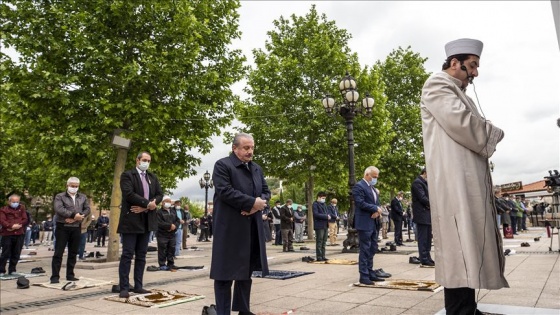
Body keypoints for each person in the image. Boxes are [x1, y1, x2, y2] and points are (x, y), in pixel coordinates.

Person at [420, 38, 508, 313]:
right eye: (472, 66)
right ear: (454, 63)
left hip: (464, 179)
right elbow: (464, 125)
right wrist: (493, 131)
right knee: (459, 247)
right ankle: (459, 311)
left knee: (467, 246)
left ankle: (467, 308)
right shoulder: (437, 85)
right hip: (453, 182)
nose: (475, 73)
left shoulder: (457, 91)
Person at [210, 132, 270, 315]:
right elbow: (224, 191)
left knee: (246, 272)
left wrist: (256, 205)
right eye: (246, 148)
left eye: (252, 147)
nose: (250, 151)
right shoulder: (223, 165)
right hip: (229, 229)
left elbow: (266, 192)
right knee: (224, 275)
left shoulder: (256, 168)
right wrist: (251, 203)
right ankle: (223, 312)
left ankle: (244, 310)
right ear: (234, 148)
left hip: (251, 228)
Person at [117, 151, 163, 298]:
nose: (146, 163)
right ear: (137, 160)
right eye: (144, 160)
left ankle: (138, 285)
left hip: (146, 221)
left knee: (141, 255)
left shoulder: (152, 177)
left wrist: (151, 205)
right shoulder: (127, 175)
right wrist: (147, 203)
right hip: (131, 221)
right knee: (127, 254)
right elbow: (129, 194)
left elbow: (159, 194)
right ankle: (124, 287)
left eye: (149, 161)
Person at [352, 166, 390, 284]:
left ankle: (370, 272)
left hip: (373, 222)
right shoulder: (359, 186)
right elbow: (360, 202)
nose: (375, 179)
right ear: (367, 175)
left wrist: (376, 212)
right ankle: (364, 276)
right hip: (364, 222)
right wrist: (375, 209)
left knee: (373, 248)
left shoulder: (372, 188)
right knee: (365, 249)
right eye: (374, 177)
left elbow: (375, 203)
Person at [51, 177, 91, 283]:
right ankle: (55, 276)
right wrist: (74, 215)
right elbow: (59, 209)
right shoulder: (60, 196)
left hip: (76, 227)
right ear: (67, 185)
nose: (74, 188)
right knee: (58, 252)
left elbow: (87, 209)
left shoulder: (82, 197)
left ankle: (70, 274)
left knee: (73, 252)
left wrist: (79, 216)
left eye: (76, 186)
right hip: (62, 227)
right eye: (72, 186)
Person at [0, 194, 29, 275]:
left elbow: (25, 219)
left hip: (19, 233)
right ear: (9, 201)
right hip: (7, 234)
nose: (16, 203)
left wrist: (17, 225)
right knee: (5, 253)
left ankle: (12, 270)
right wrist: (11, 226)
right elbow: (2, 220)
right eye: (14, 201)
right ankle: (1, 270)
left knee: (16, 252)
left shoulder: (22, 209)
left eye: (17, 201)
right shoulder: (3, 209)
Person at [411, 168, 433, 267]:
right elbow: (423, 198)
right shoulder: (417, 183)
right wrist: (433, 204)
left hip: (426, 214)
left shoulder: (424, 183)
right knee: (423, 238)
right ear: (425, 173)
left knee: (428, 238)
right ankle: (423, 258)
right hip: (422, 214)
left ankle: (427, 256)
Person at [156, 196, 180, 270]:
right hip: (162, 234)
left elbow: (177, 220)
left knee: (171, 249)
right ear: (162, 203)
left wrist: (174, 226)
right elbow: (159, 223)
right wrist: (169, 226)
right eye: (166, 201)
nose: (168, 203)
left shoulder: (173, 211)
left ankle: (170, 264)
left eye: (169, 201)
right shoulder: (159, 212)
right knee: (162, 250)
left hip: (172, 234)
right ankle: (162, 264)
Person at [312, 192, 329, 262]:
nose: (323, 199)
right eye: (323, 198)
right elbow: (316, 214)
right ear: (318, 197)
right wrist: (326, 216)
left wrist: (328, 216)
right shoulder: (315, 204)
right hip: (319, 225)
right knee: (319, 241)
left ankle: (323, 256)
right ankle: (319, 256)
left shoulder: (324, 204)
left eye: (324, 198)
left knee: (324, 241)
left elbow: (327, 212)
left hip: (325, 225)